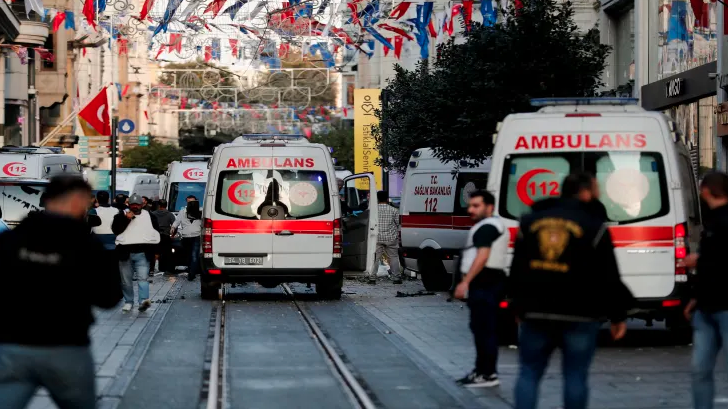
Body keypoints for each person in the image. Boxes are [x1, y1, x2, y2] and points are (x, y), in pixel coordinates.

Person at [508, 172, 633, 409]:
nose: (600, 194)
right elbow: (609, 275)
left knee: (529, 372)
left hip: (536, 310)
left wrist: (516, 304)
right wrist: (618, 315)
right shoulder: (594, 226)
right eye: (597, 189)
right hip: (580, 312)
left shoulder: (530, 221)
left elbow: (518, 269)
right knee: (575, 375)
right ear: (586, 192)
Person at [0, 176, 122, 409]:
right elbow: (108, 298)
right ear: (76, 200)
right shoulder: (86, 245)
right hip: (66, 346)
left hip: (11, 346)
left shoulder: (10, 240)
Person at [454, 190, 509, 387]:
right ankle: (482, 371)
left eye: (476, 206)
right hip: (486, 283)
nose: (471, 210)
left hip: (486, 284)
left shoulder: (488, 227)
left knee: (484, 330)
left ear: (490, 207)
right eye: (470, 205)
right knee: (481, 329)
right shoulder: (487, 226)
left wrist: (465, 282)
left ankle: (487, 374)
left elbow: (482, 256)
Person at [682, 172, 728, 409]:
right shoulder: (711, 220)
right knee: (699, 368)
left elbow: (719, 261)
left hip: (723, 306)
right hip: (707, 305)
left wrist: (697, 262)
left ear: (707, 190)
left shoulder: (722, 221)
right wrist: (695, 298)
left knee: (701, 369)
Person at [112, 193, 161, 313]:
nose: (135, 207)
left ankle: (143, 301)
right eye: (132, 204)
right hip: (125, 253)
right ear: (128, 204)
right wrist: (126, 219)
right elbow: (116, 230)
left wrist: (156, 252)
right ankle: (129, 302)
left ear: (142, 204)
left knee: (143, 279)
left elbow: (155, 233)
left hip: (143, 253)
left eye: (137, 204)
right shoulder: (120, 216)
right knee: (126, 281)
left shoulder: (150, 216)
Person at [367, 191, 402, 285]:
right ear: (387, 199)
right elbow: (399, 224)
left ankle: (372, 278)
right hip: (390, 238)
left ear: (377, 199)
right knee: (394, 257)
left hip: (376, 238)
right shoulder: (394, 210)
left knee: (375, 258)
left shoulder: (372, 210)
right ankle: (396, 278)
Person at [171, 195, 202, 281]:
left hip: (196, 236)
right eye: (189, 202)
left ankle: (192, 273)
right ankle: (191, 270)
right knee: (188, 255)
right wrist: (172, 229)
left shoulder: (201, 211)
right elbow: (176, 222)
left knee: (194, 255)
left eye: (192, 202)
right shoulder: (182, 211)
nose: (190, 203)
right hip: (186, 236)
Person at [153, 199, 177, 276]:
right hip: (166, 236)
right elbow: (174, 225)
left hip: (155, 235)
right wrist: (173, 234)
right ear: (166, 205)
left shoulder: (153, 214)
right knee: (167, 253)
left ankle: (155, 268)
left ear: (159, 205)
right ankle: (168, 269)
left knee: (156, 252)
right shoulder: (170, 214)